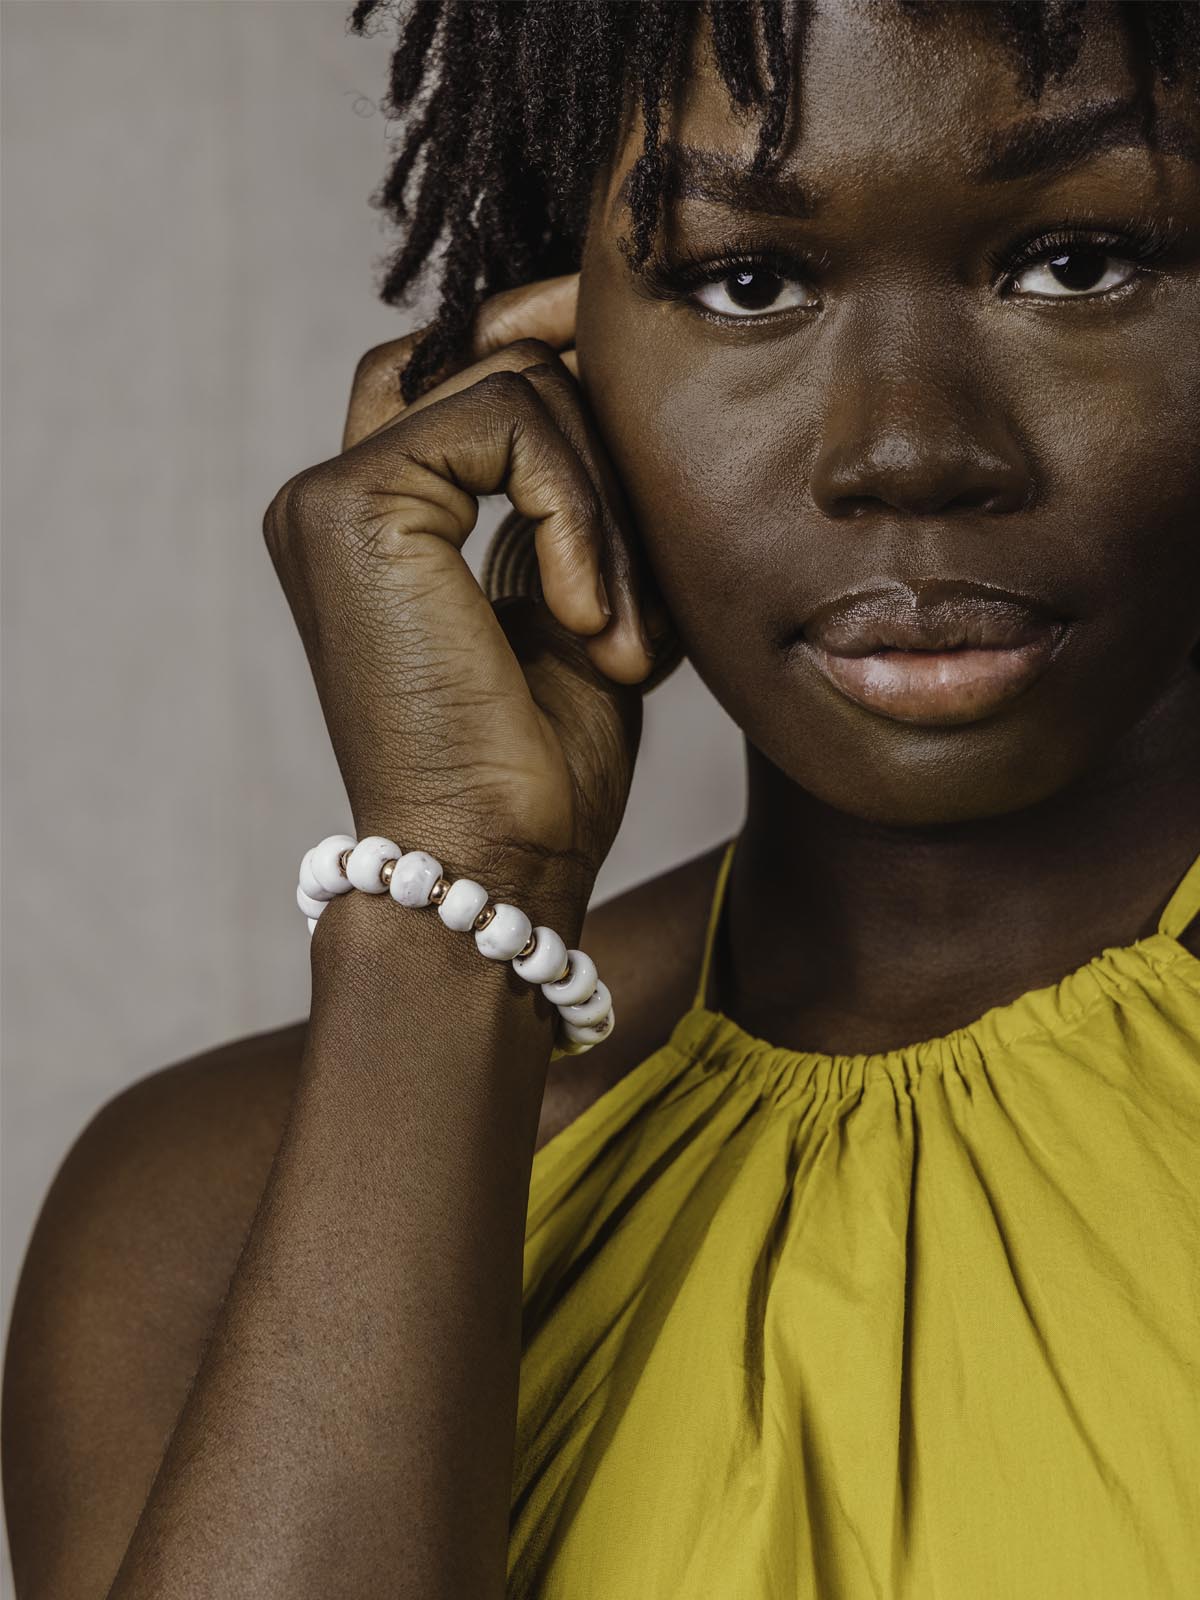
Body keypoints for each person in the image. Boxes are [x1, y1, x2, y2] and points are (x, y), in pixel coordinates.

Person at [4, 1, 1200, 1596]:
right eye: (750, 280)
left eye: (1076, 261)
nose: (908, 450)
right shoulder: (202, 1218)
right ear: (542, 367)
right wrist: (450, 910)